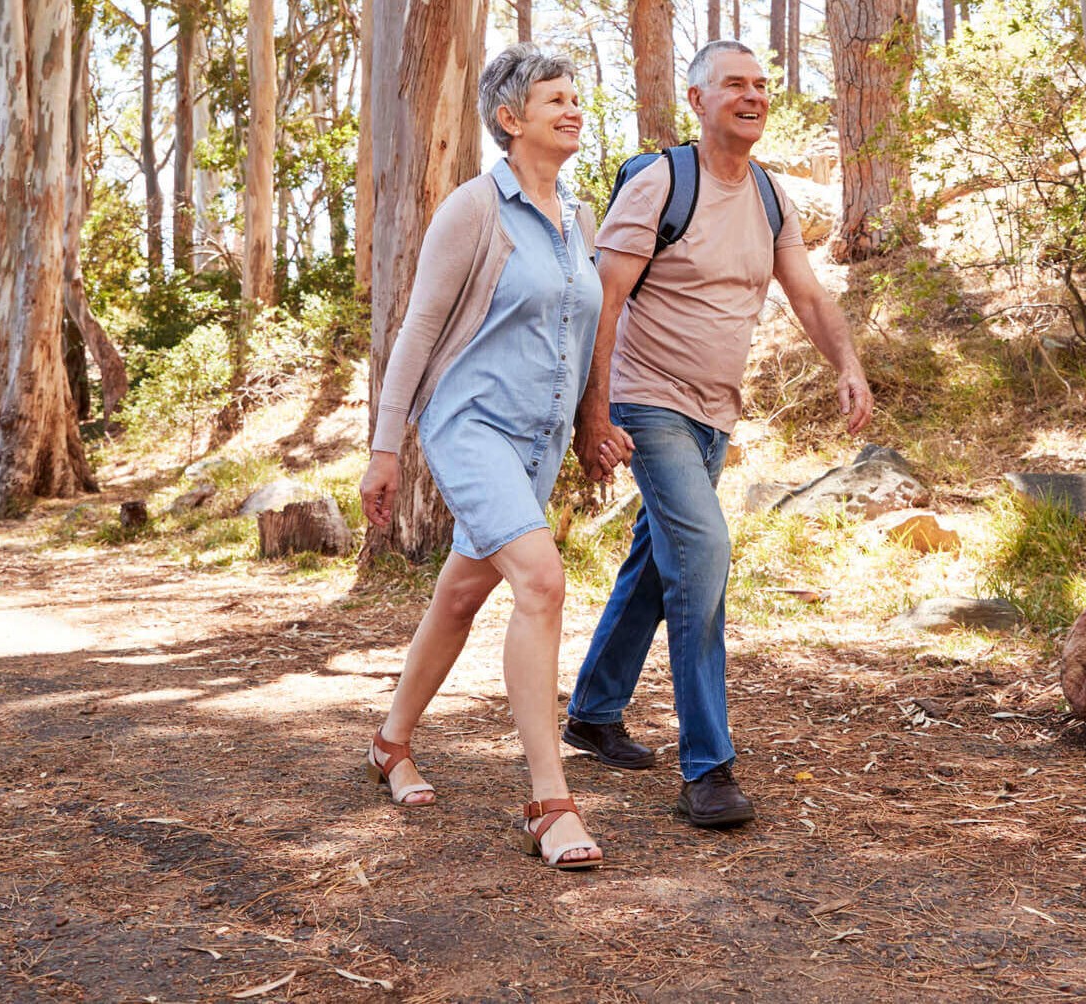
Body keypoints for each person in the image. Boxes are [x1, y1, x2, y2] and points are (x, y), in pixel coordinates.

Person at [562, 40, 874, 828]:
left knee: (652, 561)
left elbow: (804, 293)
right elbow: (603, 301)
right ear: (697, 100)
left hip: (714, 413)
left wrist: (847, 363)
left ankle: (593, 711)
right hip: (647, 402)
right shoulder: (663, 182)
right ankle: (708, 767)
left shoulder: (769, 195)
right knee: (702, 553)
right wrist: (591, 413)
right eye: (733, 83)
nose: (753, 95)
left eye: (762, 85)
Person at [356, 44, 628, 870]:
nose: (573, 110)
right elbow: (418, 330)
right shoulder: (473, 209)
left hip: (536, 443)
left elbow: (583, 335)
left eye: (577, 98)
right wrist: (385, 446)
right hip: (469, 426)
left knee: (461, 596)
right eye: (555, 99)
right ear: (510, 120)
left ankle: (389, 741)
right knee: (541, 580)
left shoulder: (578, 219)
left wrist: (589, 424)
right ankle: (549, 802)